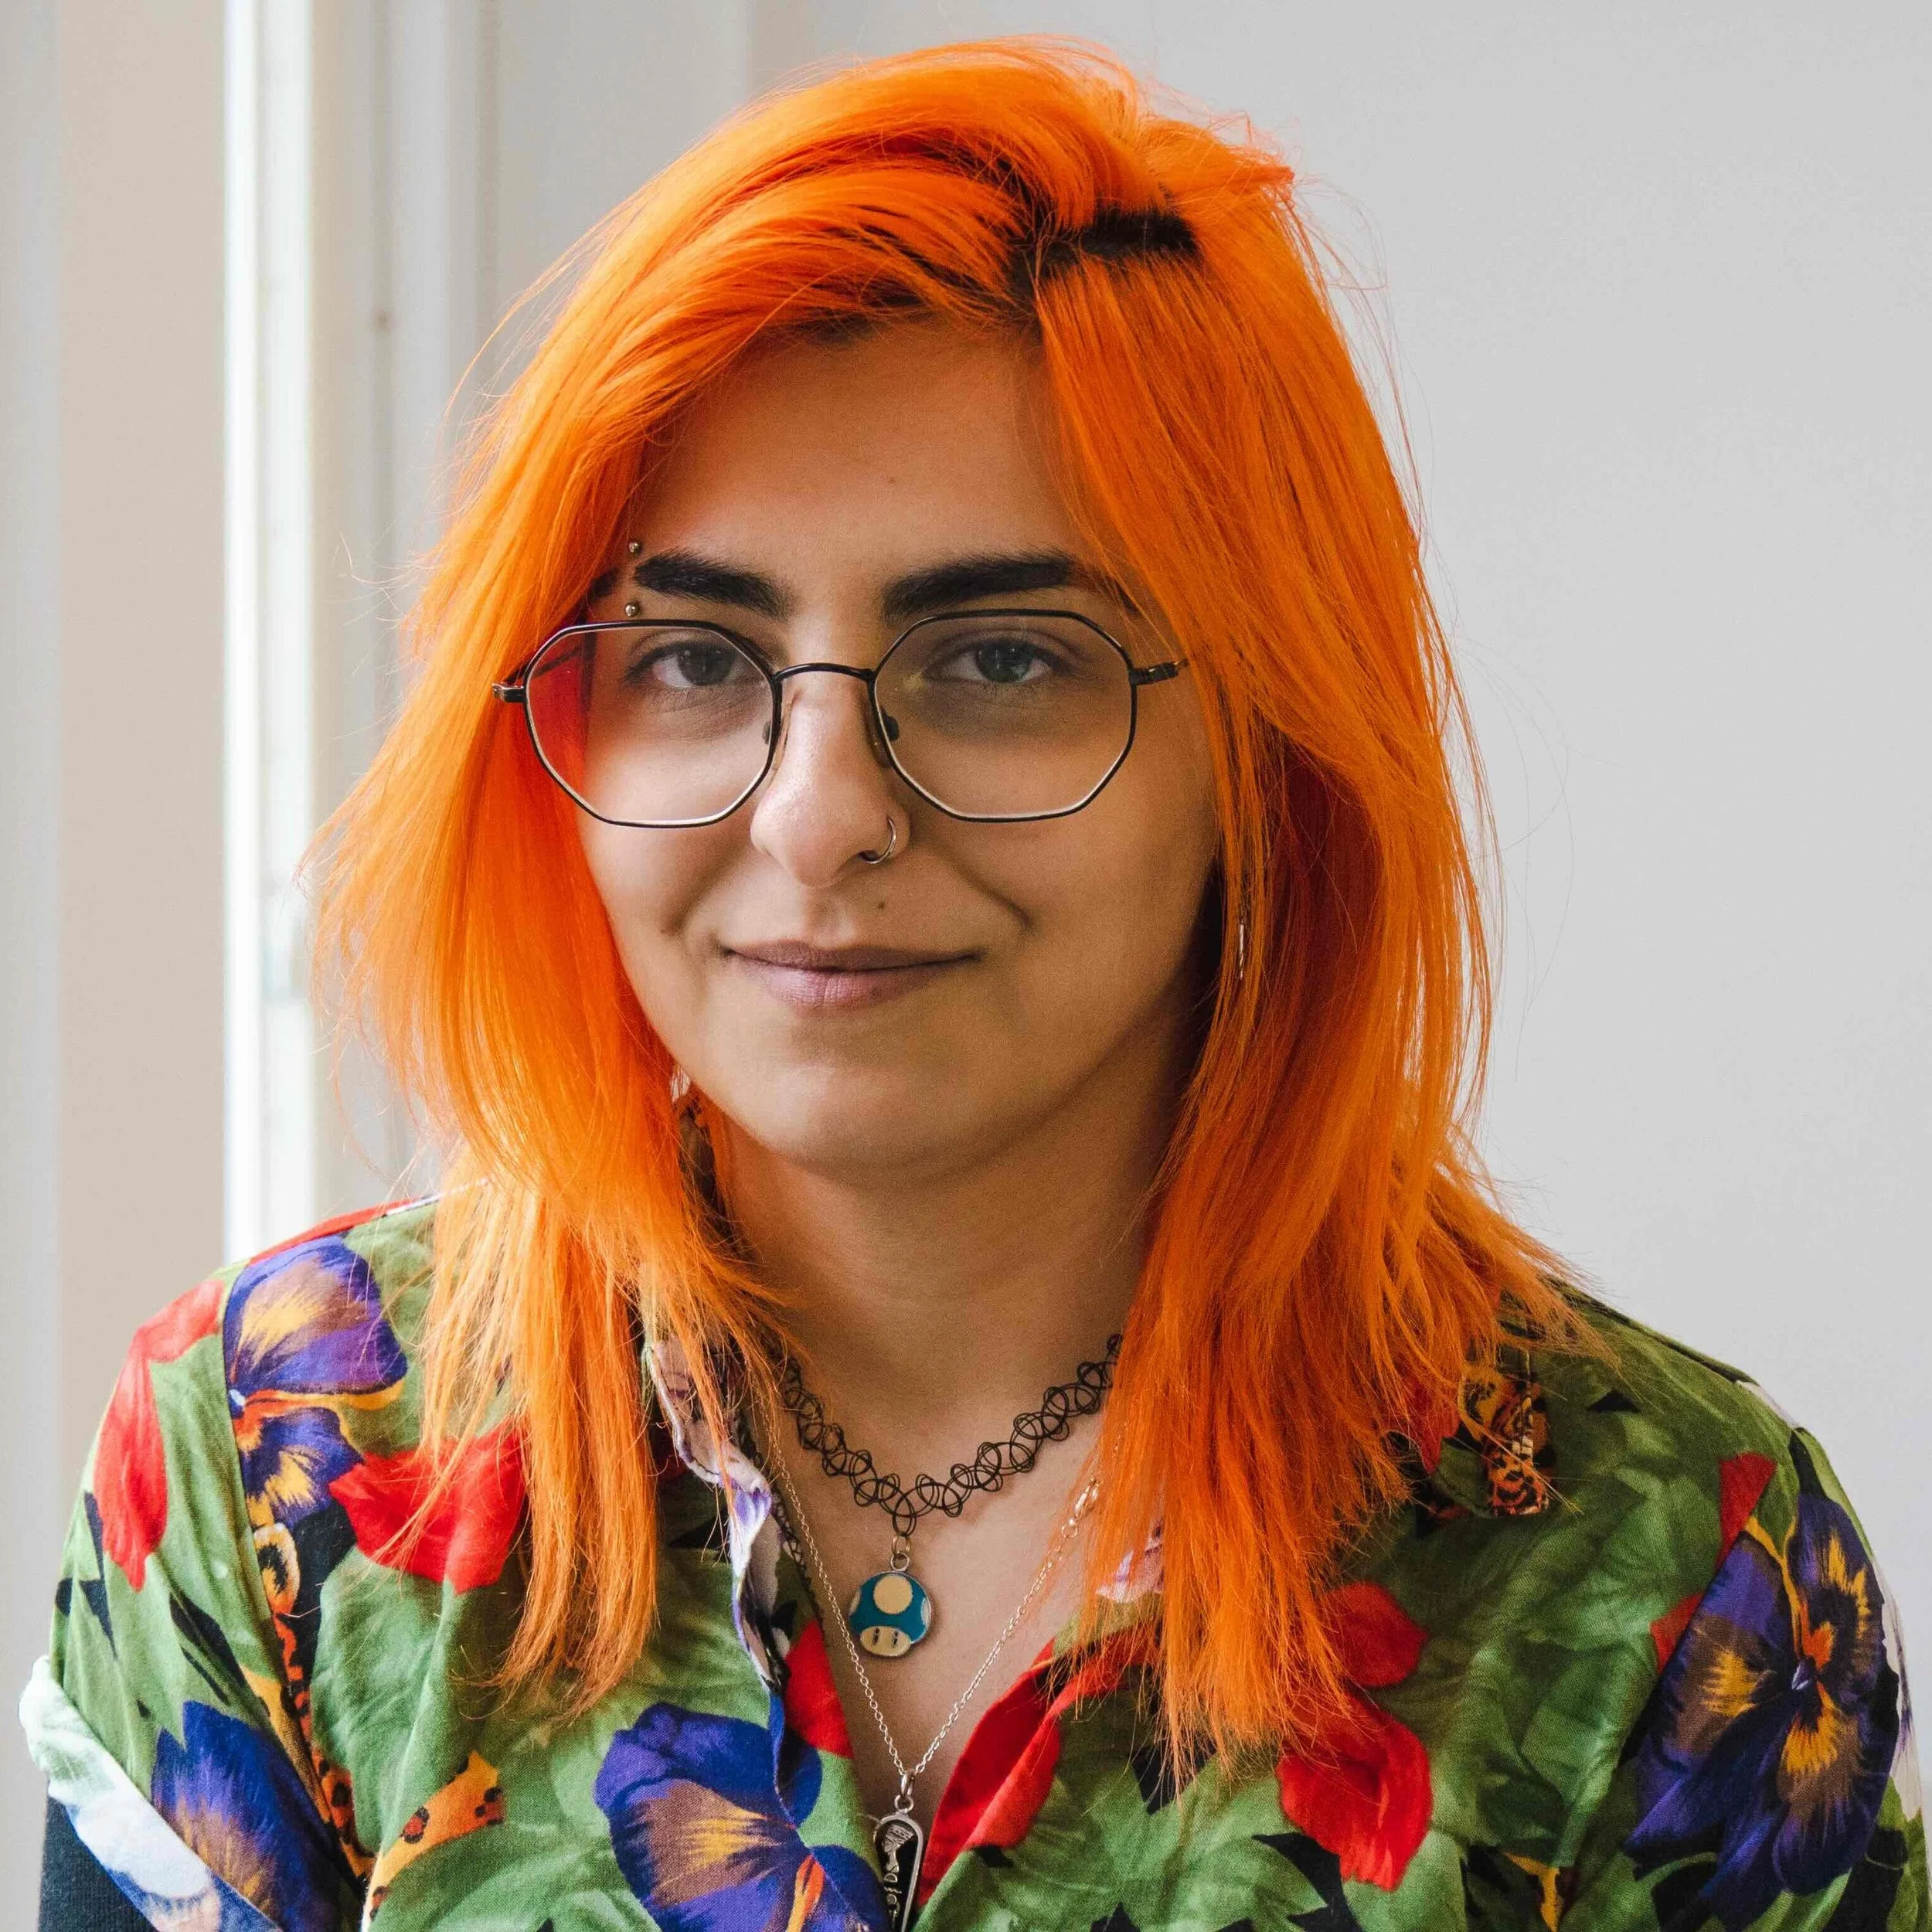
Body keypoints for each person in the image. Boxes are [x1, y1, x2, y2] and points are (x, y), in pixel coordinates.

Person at [25, 39, 1924, 1932]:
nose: (818, 815)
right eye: (688, 656)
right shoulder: (280, 1467)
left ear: (1266, 758)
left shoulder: (1662, 1569)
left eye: (1002, 659)